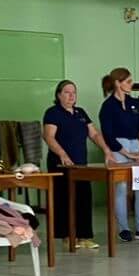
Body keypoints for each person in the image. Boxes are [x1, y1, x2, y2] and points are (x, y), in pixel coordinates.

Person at [42, 79, 109, 250]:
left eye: (74, 92)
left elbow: (94, 134)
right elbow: (48, 136)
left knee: (84, 198)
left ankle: (84, 236)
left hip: (81, 164)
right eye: (67, 92)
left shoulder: (80, 112)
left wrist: (107, 151)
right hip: (61, 163)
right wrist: (62, 154)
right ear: (59, 95)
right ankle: (67, 236)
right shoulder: (53, 112)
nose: (71, 96)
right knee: (64, 198)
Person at [100, 68, 139, 243]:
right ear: (118, 83)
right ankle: (124, 229)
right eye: (128, 81)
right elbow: (107, 134)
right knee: (121, 188)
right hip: (118, 147)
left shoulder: (135, 103)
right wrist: (125, 152)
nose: (132, 84)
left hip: (136, 145)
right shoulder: (108, 106)